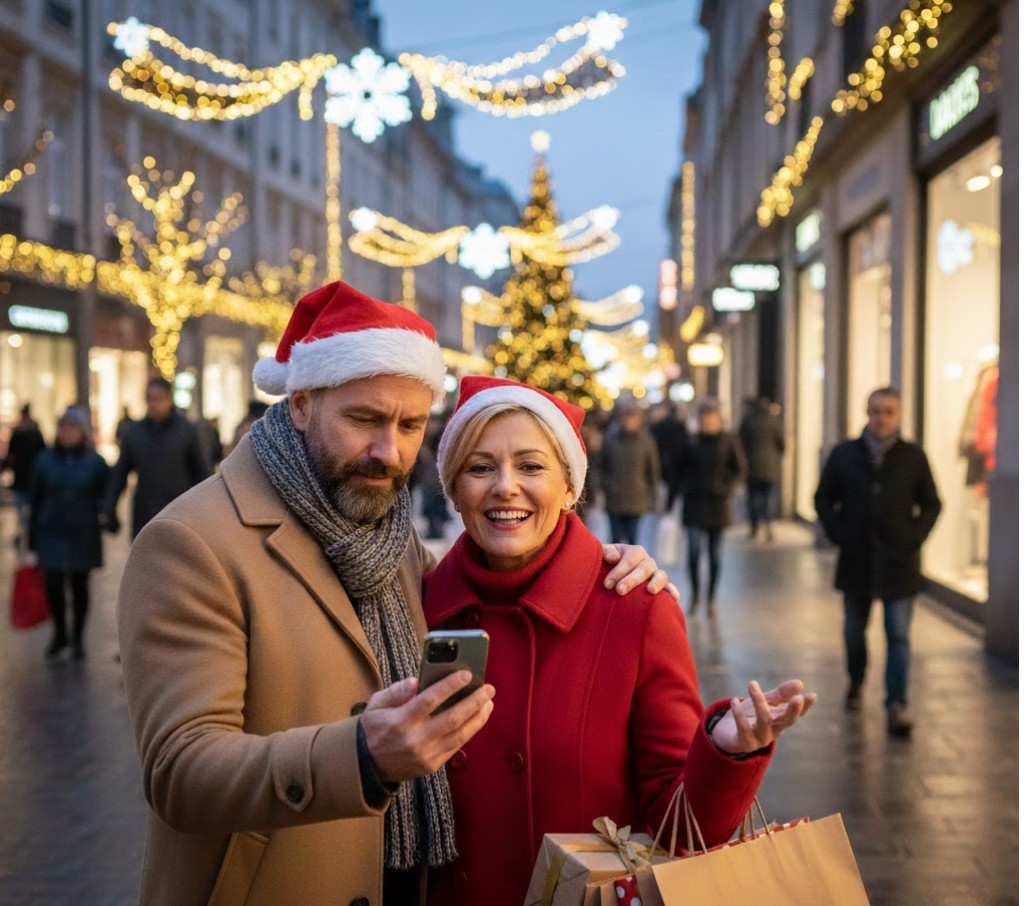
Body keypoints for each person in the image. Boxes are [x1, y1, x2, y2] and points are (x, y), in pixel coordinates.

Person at [116, 281, 669, 906]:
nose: (390, 451)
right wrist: (361, 756)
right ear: (300, 403)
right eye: (365, 419)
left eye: (411, 426)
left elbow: (496, 579)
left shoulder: (389, 537)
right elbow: (180, 773)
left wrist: (605, 566)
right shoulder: (193, 542)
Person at [424, 376, 816, 906]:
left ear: (569, 486)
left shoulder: (636, 607)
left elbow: (679, 829)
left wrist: (724, 752)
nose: (505, 486)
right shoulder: (418, 606)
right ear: (453, 488)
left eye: (532, 466)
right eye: (480, 467)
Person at [814, 386, 941, 737]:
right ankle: (855, 681)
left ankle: (896, 703)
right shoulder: (845, 454)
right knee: (854, 631)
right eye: (875, 411)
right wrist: (839, 533)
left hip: (898, 563)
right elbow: (823, 498)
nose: (881, 418)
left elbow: (932, 503)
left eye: (888, 411)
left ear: (898, 415)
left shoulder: (913, 456)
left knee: (898, 635)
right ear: (866, 413)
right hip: (856, 560)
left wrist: (914, 536)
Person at [27, 406, 111, 659]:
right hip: (51, 529)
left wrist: (106, 514)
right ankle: (60, 632)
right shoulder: (44, 460)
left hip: (82, 531)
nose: (67, 433)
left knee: (79, 584)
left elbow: (107, 492)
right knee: (52, 583)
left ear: (82, 433)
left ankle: (78, 638)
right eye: (63, 428)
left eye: (72, 429)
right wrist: (31, 538)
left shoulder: (95, 462)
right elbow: (35, 497)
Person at [103, 377, 211, 538]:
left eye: (157, 399)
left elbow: (202, 474)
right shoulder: (134, 432)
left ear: (168, 399)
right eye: (149, 399)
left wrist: (204, 513)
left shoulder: (187, 431)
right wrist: (109, 507)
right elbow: (120, 473)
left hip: (178, 512)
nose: (153, 404)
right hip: (144, 512)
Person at [667, 398, 745, 617]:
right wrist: (670, 501)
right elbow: (677, 472)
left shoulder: (728, 441)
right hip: (693, 503)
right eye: (705, 419)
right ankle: (695, 595)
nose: (708, 423)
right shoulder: (690, 441)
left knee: (714, 554)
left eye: (712, 419)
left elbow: (739, 469)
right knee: (693, 552)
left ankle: (710, 598)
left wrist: (726, 488)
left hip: (718, 505)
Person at [599, 405, 661, 545]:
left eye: (632, 418)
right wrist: (604, 488)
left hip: (636, 498)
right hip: (614, 498)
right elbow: (601, 467)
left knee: (632, 540)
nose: (629, 422)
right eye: (626, 418)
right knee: (615, 541)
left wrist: (654, 497)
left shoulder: (646, 441)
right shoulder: (610, 439)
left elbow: (652, 470)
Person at [738, 397, 785, 541]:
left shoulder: (747, 421)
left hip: (751, 466)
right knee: (767, 498)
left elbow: (740, 443)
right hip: (770, 467)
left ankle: (754, 527)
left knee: (752, 498)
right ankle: (768, 527)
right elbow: (781, 443)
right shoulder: (773, 421)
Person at [3, 402, 46, 544]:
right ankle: (26, 533)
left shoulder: (24, 432)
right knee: (25, 508)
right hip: (24, 477)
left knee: (25, 509)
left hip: (26, 477)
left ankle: (27, 533)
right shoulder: (29, 432)